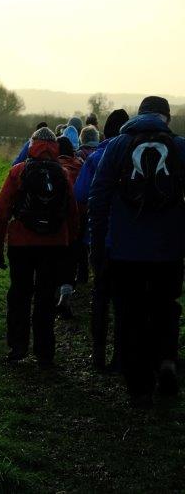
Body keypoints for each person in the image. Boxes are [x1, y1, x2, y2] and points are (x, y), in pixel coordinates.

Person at [89, 96, 185, 406]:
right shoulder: (180, 147)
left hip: (124, 250)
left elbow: (98, 196)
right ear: (166, 118)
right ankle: (167, 359)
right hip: (169, 250)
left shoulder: (117, 146)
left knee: (130, 313)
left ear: (138, 115)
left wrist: (98, 245)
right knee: (165, 305)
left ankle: (139, 386)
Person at [0, 127, 79, 366]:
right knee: (45, 297)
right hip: (54, 245)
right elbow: (72, 213)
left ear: (32, 145)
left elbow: (0, 213)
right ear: (54, 148)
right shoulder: (62, 173)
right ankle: (45, 351)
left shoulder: (18, 172)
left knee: (19, 295)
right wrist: (70, 246)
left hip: (21, 244)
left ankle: (18, 347)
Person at [74, 109, 129, 370]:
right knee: (123, 301)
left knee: (100, 296)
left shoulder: (96, 157)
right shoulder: (133, 157)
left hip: (99, 240)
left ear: (105, 132)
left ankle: (97, 355)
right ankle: (120, 356)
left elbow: (81, 194)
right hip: (128, 242)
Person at [55, 136, 84, 319]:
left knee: (55, 259)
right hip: (75, 220)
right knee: (70, 260)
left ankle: (53, 292)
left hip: (54, 223)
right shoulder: (80, 166)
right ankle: (66, 292)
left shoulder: (53, 169)